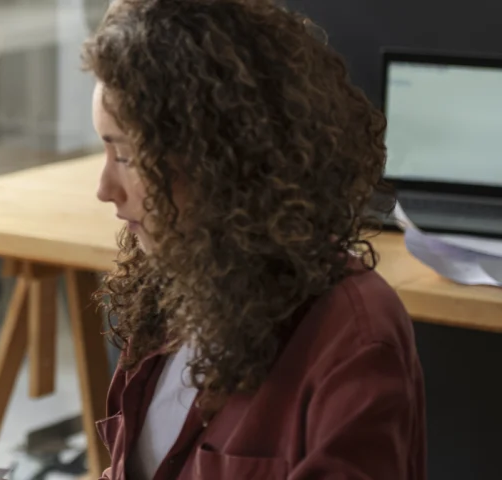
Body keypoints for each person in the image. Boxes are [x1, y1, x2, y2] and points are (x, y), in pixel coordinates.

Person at [81, 0, 426, 478]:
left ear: (221, 160)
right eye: (105, 148)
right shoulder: (172, 286)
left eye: (128, 157)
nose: (104, 190)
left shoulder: (353, 339)